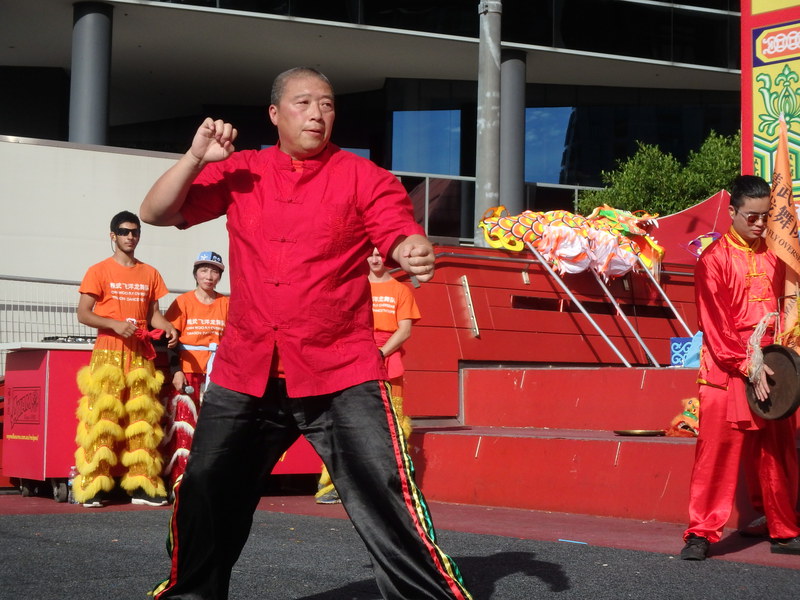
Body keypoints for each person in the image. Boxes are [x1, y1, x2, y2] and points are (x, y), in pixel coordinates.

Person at [140, 67, 472, 599]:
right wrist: (196, 156)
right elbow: (155, 212)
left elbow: (396, 226)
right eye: (303, 103)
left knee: (386, 494)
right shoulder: (242, 170)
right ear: (275, 114)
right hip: (245, 368)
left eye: (327, 104)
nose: (317, 113)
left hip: (340, 370)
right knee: (204, 492)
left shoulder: (366, 177)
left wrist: (409, 245)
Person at [680, 175, 800, 560]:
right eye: (752, 217)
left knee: (777, 452)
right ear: (732, 212)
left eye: (765, 217)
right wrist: (749, 364)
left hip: (773, 366)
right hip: (725, 368)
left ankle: (782, 528)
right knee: (715, 453)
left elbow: (786, 309)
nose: (760, 224)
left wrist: (781, 357)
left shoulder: (776, 255)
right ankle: (701, 533)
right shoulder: (712, 260)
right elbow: (714, 326)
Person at [73, 210, 178, 508]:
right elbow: (83, 313)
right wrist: (114, 324)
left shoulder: (150, 273)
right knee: (102, 418)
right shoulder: (98, 270)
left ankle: (142, 485)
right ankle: (93, 486)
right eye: (124, 231)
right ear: (112, 235)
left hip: (140, 353)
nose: (130, 236)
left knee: (141, 419)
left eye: (135, 232)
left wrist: (168, 327)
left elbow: (153, 315)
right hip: (108, 351)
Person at [316, 247, 421, 504]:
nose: (374, 259)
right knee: (346, 421)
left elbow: (404, 330)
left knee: (393, 426)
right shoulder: (355, 286)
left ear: (385, 257)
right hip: (355, 358)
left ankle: (390, 483)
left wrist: (381, 352)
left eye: (378, 254)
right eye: (370, 254)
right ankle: (332, 484)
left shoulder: (401, 290)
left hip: (388, 359)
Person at [161, 251, 229, 498]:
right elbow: (168, 338)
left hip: (217, 374)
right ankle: (181, 484)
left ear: (220, 276)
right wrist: (175, 370)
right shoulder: (183, 302)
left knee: (214, 430)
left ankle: (208, 484)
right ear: (196, 274)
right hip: (188, 372)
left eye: (214, 272)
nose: (208, 276)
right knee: (184, 428)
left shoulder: (226, 304)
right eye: (204, 270)